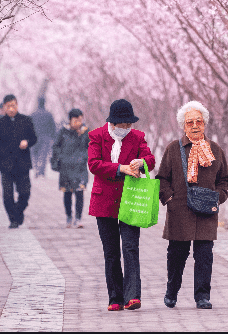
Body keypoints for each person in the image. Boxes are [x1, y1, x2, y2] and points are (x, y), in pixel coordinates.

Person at [156, 100, 228, 310]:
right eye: (190, 122)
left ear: (205, 123)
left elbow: (224, 178)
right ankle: (171, 292)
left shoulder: (215, 149)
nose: (195, 125)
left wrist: (218, 196)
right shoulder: (173, 149)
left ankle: (202, 297)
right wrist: (169, 198)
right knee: (176, 256)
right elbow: (161, 178)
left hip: (206, 212)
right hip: (179, 211)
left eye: (199, 121)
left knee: (204, 256)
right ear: (183, 125)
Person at [88, 99, 156, 312]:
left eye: (129, 125)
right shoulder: (97, 136)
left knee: (130, 247)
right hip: (104, 201)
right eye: (123, 125)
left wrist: (141, 163)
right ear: (113, 122)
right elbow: (94, 164)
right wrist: (121, 168)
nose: (127, 129)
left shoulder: (138, 137)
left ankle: (133, 296)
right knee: (111, 251)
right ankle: (115, 297)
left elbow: (150, 159)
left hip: (130, 199)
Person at [0, 94, 37, 229]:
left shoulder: (26, 120)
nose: (11, 109)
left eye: (13, 106)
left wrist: (27, 142)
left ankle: (18, 212)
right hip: (6, 165)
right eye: (8, 106)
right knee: (7, 196)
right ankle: (13, 219)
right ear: (4, 107)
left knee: (25, 193)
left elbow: (34, 138)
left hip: (23, 164)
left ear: (17, 105)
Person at [51, 108, 90, 228]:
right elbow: (56, 147)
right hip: (66, 168)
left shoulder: (85, 132)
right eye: (75, 120)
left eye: (80, 119)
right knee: (67, 192)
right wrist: (60, 158)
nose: (78, 122)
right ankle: (69, 216)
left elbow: (92, 147)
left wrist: (85, 156)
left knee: (79, 192)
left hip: (80, 167)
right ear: (70, 120)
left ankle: (78, 218)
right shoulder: (63, 131)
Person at [31, 96, 57, 178]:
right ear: (44, 103)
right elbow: (53, 127)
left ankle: (36, 169)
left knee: (35, 155)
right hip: (45, 138)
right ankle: (41, 171)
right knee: (43, 155)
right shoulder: (49, 115)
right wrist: (53, 138)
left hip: (34, 138)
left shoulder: (33, 114)